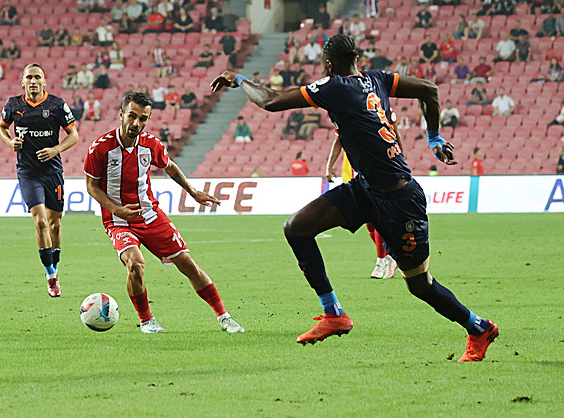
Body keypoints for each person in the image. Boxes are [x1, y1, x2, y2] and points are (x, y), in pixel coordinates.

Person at [210, 34, 498, 361]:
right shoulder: (377, 79)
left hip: (399, 200)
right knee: (297, 228)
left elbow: (270, 101)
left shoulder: (334, 86)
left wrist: (240, 78)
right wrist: (433, 137)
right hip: (365, 189)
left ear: (328, 65)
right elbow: (429, 89)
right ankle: (334, 313)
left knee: (421, 286)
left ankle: (479, 328)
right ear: (357, 57)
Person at [83, 92, 244, 334]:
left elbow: (169, 167)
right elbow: (91, 186)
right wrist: (117, 210)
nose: (136, 123)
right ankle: (147, 321)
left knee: (188, 264)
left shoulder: (151, 145)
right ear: (121, 114)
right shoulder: (101, 148)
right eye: (132, 116)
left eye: (143, 118)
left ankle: (224, 317)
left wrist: (193, 192)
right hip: (118, 220)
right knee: (135, 265)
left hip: (150, 215)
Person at [0, 64, 79, 297]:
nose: (33, 81)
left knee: (55, 224)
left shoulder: (56, 105)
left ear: (44, 81)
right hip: (28, 172)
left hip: (52, 172)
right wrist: (9, 142)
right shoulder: (14, 105)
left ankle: (54, 264)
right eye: (29, 78)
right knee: (40, 222)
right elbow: (2, 128)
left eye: (37, 77)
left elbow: (74, 135)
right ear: (22, 82)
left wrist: (55, 149)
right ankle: (51, 275)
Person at [324, 109, 404, 279]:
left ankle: (382, 260)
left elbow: (395, 135)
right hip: (356, 171)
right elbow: (339, 139)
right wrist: (329, 166)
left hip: (379, 168)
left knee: (377, 215)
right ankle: (390, 256)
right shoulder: (342, 113)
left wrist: (401, 162)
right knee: (368, 219)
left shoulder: (383, 109)